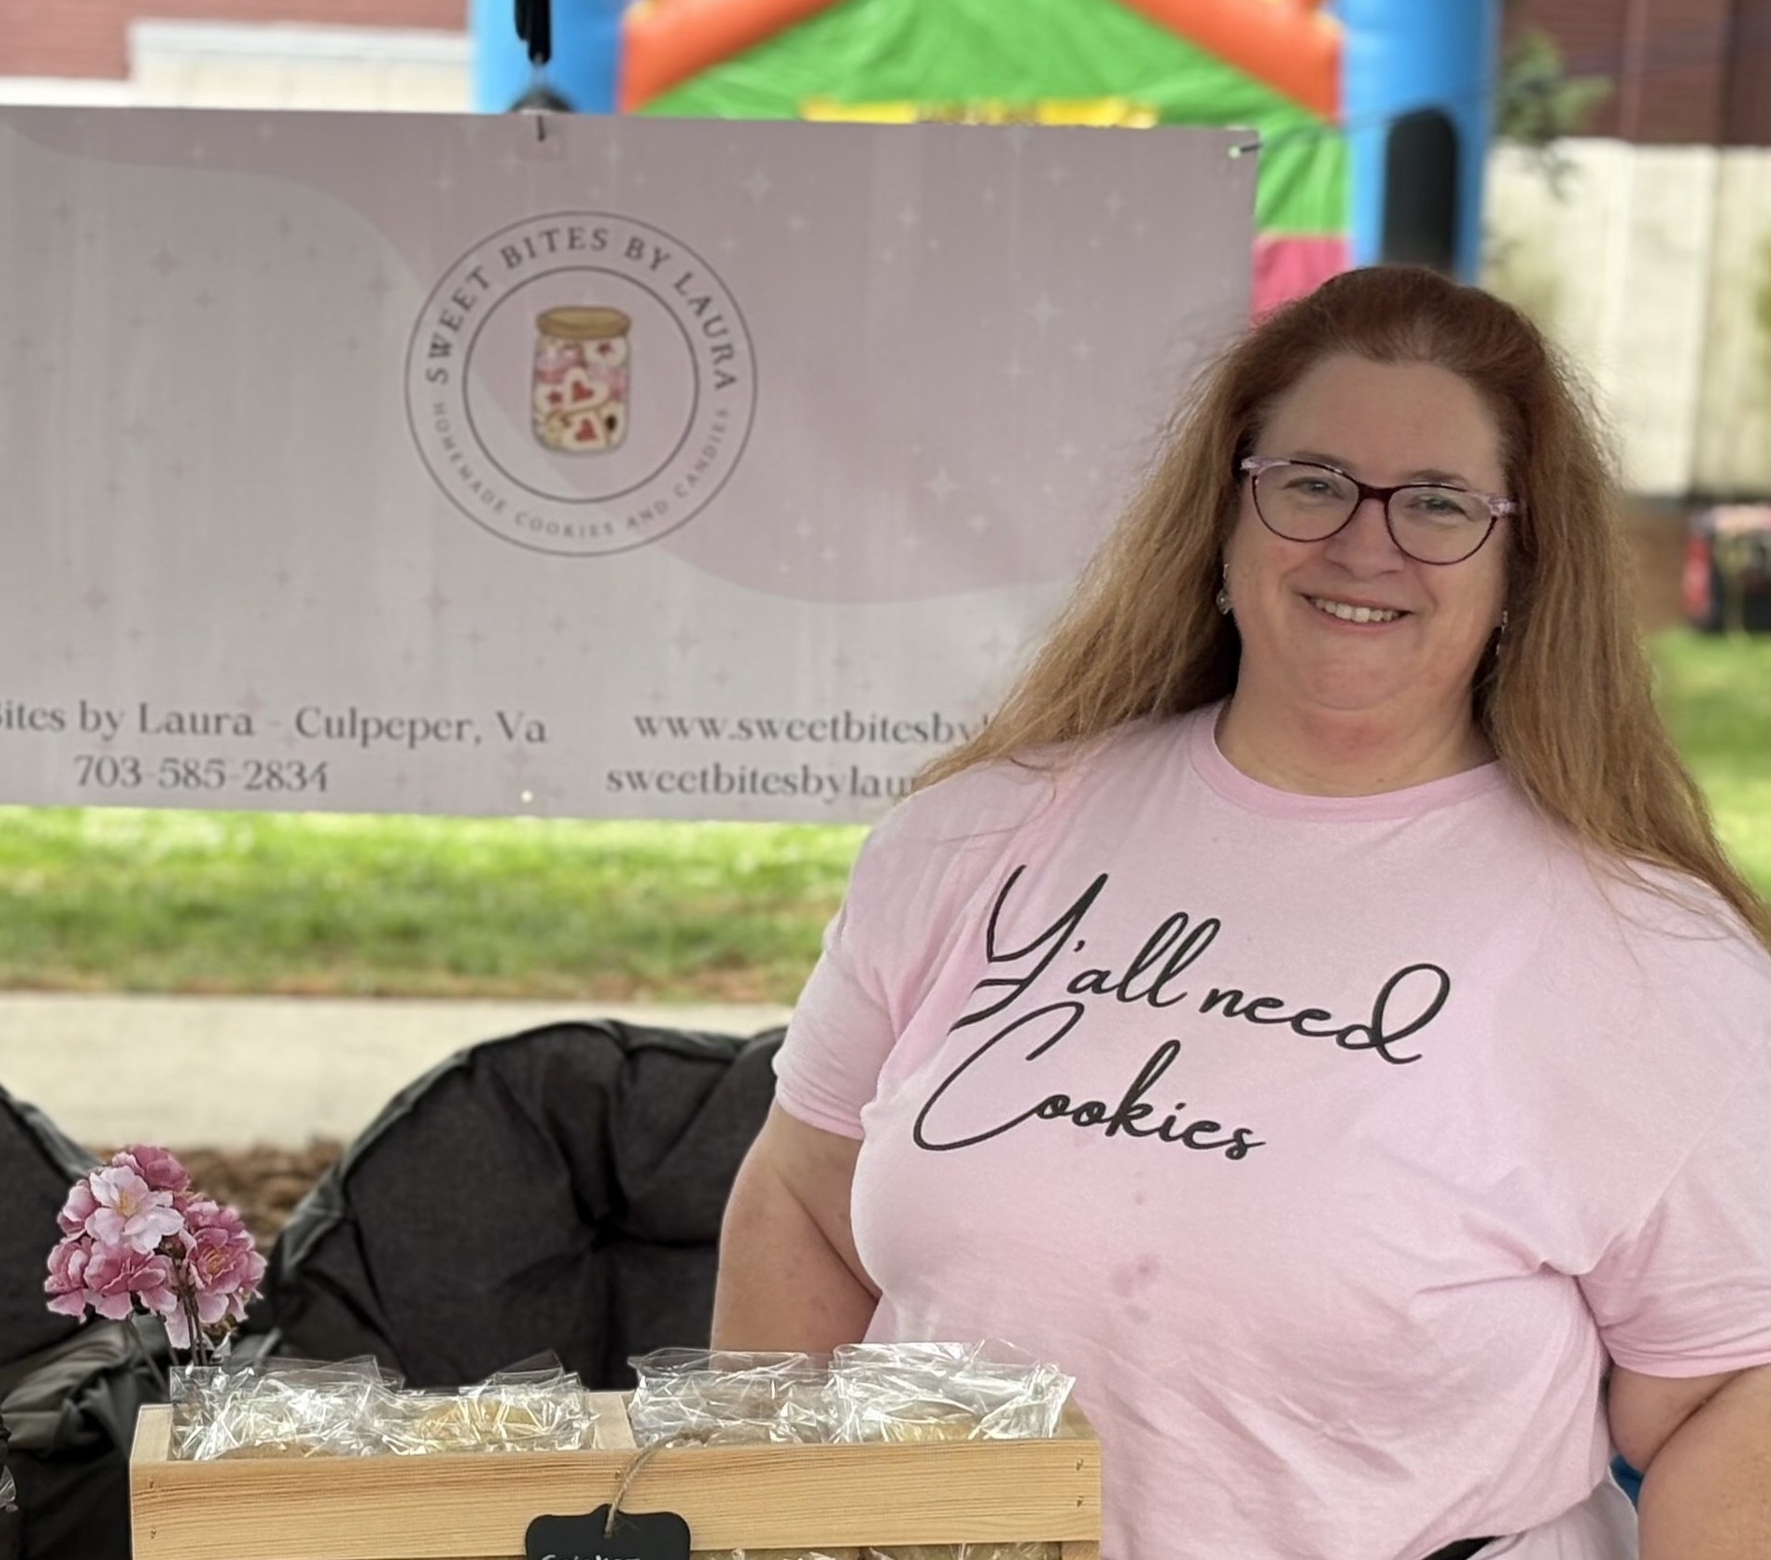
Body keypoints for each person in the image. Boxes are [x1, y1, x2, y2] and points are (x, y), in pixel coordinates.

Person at [713, 266, 1771, 1560]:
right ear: (1224, 520)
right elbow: (806, 1202)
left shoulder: (1647, 957)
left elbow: (1735, 1386)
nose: (1363, 541)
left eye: (1439, 503)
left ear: (1521, 572)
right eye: (1311, 482)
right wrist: (770, 1528)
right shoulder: (976, 836)